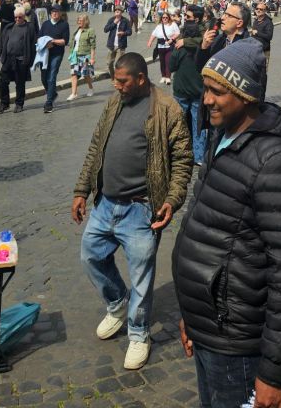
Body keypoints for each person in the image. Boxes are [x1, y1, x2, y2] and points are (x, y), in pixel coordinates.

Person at [172, 40, 281, 408]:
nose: (206, 100)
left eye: (217, 92)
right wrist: (192, 316)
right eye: (205, 89)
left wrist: (273, 374)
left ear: (246, 95)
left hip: (237, 341)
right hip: (210, 327)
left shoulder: (276, 161)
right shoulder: (221, 135)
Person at [72, 53, 193, 371]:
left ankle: (139, 334)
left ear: (140, 79)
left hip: (141, 209)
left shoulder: (167, 109)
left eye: (123, 81)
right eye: (115, 80)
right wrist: (81, 190)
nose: (117, 86)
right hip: (105, 203)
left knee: (141, 277)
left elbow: (183, 160)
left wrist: (172, 200)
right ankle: (117, 304)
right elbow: (96, 145)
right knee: (90, 256)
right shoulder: (115, 102)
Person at [169, 9, 207, 165]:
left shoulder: (180, 47)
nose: (185, 17)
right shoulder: (203, 45)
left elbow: (171, 66)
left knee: (178, 122)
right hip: (198, 88)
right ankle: (199, 156)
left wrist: (181, 43)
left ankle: (177, 152)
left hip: (181, 88)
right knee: (198, 123)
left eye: (188, 16)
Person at [0, 5, 37, 114]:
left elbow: (33, 46)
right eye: (16, 17)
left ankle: (19, 104)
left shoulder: (29, 28)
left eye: (20, 17)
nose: (17, 19)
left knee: (20, 83)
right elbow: (1, 43)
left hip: (21, 59)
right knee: (3, 81)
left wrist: (31, 61)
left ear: (24, 17)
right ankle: (4, 103)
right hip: (8, 59)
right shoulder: (9, 27)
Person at [196, 2, 253, 71]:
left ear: (239, 23)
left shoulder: (247, 49)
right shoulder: (219, 39)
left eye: (229, 15)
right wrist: (204, 47)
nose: (222, 18)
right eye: (224, 14)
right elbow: (201, 67)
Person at [39, 6, 70, 114]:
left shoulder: (64, 24)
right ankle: (53, 94)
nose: (54, 13)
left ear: (60, 13)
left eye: (57, 12)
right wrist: (44, 43)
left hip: (57, 54)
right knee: (43, 78)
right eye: (53, 12)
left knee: (51, 77)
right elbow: (39, 38)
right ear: (50, 13)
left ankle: (49, 103)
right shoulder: (45, 24)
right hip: (44, 54)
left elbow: (65, 41)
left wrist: (52, 41)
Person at [67, 13, 96, 100]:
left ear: (85, 21)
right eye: (78, 20)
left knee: (86, 75)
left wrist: (92, 58)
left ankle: (91, 88)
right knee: (74, 74)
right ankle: (74, 93)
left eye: (81, 20)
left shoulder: (90, 30)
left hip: (85, 56)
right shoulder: (77, 30)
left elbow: (93, 46)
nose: (79, 22)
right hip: (75, 55)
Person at [147, 12, 180, 85]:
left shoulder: (173, 24)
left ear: (169, 18)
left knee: (168, 61)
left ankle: (168, 77)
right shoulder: (159, 26)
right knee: (162, 62)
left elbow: (178, 33)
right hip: (160, 46)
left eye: (166, 17)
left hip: (169, 46)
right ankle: (163, 76)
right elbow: (153, 34)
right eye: (163, 17)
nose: (165, 19)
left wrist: (172, 39)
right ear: (161, 18)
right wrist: (150, 42)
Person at [104, 7, 132, 79]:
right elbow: (105, 30)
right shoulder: (111, 20)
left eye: (118, 10)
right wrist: (114, 23)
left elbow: (130, 32)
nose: (117, 11)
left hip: (121, 45)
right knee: (109, 63)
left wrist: (123, 33)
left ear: (121, 12)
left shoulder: (125, 21)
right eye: (116, 10)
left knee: (119, 64)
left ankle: (118, 78)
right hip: (111, 45)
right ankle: (113, 77)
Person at [250, 3, 274, 68]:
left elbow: (269, 36)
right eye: (257, 8)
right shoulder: (256, 21)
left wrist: (257, 33)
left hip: (263, 51)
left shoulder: (268, 22)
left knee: (262, 71)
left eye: (261, 9)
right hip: (254, 50)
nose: (258, 10)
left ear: (264, 11)